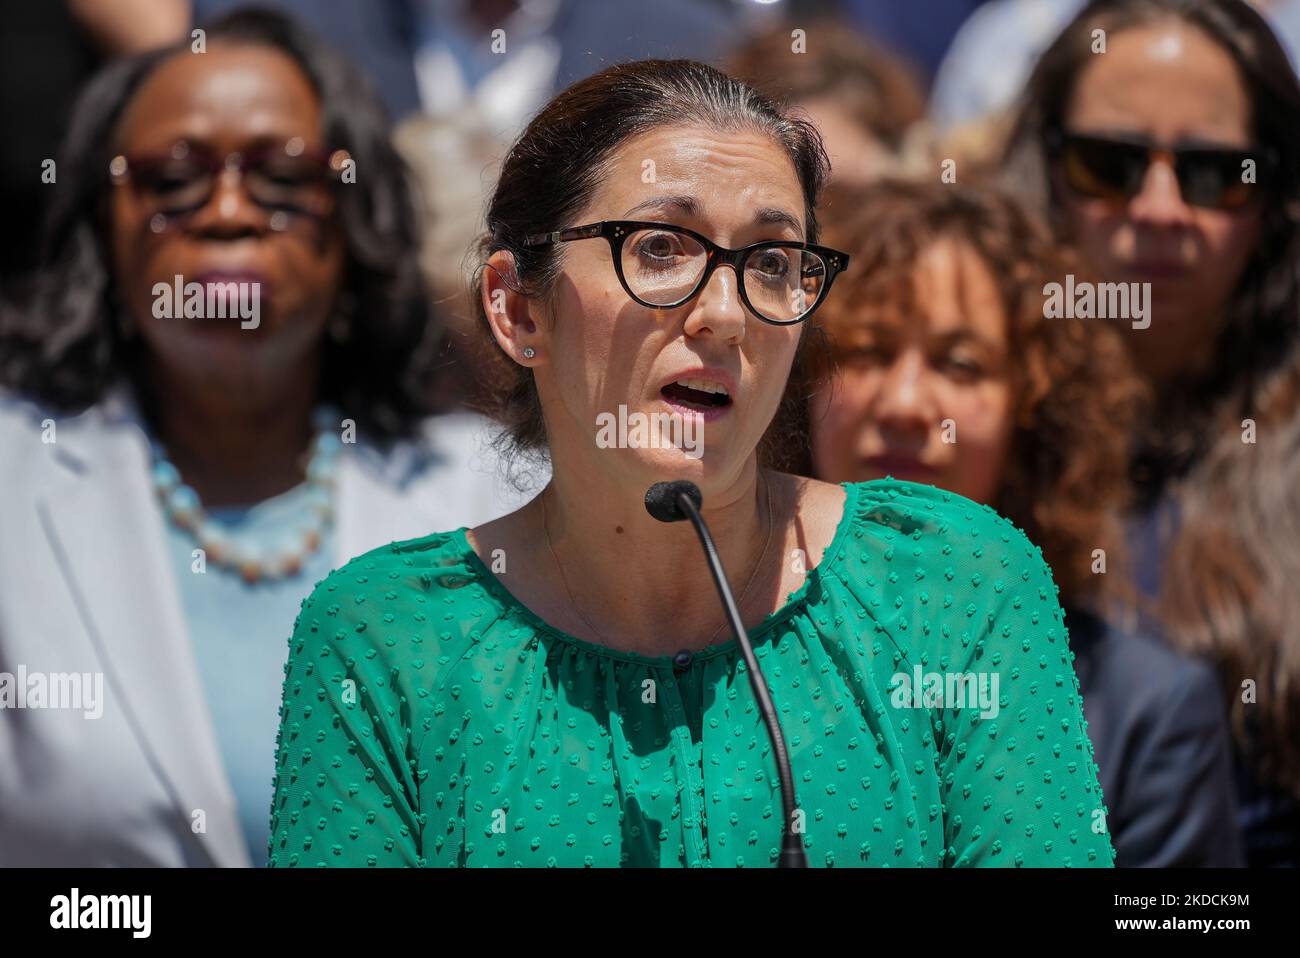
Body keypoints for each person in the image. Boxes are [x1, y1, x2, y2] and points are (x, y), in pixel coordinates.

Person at [268, 58, 1115, 868]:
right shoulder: (385, 644)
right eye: (661, 249)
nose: (725, 315)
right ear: (518, 307)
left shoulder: (957, 585)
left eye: (773, 263)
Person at [0, 9, 532, 868]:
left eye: (283, 179)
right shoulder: (12, 478)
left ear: (356, 222)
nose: (228, 210)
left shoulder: (495, 493)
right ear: (104, 221)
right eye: (174, 177)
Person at [806, 180, 1244, 866]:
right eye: (869, 351)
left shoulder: (1146, 713)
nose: (906, 404)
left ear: (1033, 411)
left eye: (960, 363)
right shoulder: (709, 648)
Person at [1003, 0, 1300, 865]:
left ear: (1277, 197)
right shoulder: (959, 436)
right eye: (1111, 164)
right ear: (1045, 174)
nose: (1162, 210)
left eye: (1217, 173)